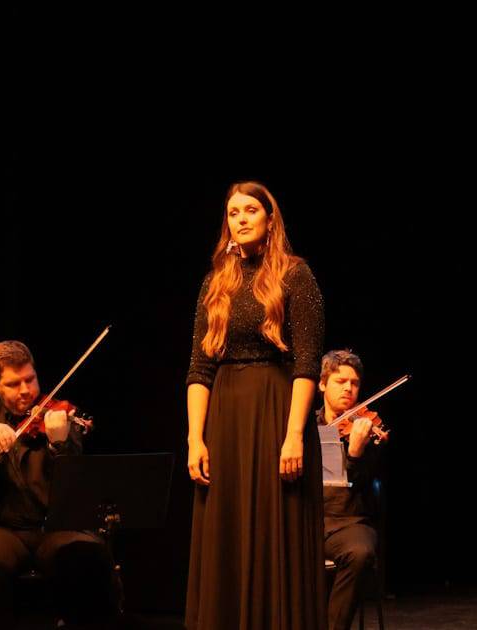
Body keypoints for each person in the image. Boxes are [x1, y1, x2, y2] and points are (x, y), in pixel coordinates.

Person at [184, 181, 327, 630]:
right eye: (232, 212)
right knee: (225, 533)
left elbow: (307, 361)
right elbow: (198, 370)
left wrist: (293, 435)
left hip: (274, 413)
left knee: (275, 533)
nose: (240, 219)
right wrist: (194, 438)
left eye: (250, 210)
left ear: (269, 220)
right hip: (225, 421)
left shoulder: (294, 275)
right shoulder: (215, 281)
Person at [0, 340, 110, 630]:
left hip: (55, 528)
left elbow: (78, 480)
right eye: (14, 384)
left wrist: (60, 443)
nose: (26, 390)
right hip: (3, 529)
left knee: (82, 555)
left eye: (30, 379)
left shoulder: (59, 415)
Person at [315, 350, 383, 630]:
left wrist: (355, 454)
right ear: (321, 383)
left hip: (349, 523)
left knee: (360, 552)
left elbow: (368, 485)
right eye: (340, 381)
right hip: (309, 520)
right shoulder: (303, 427)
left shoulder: (368, 429)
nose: (348, 388)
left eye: (354, 383)